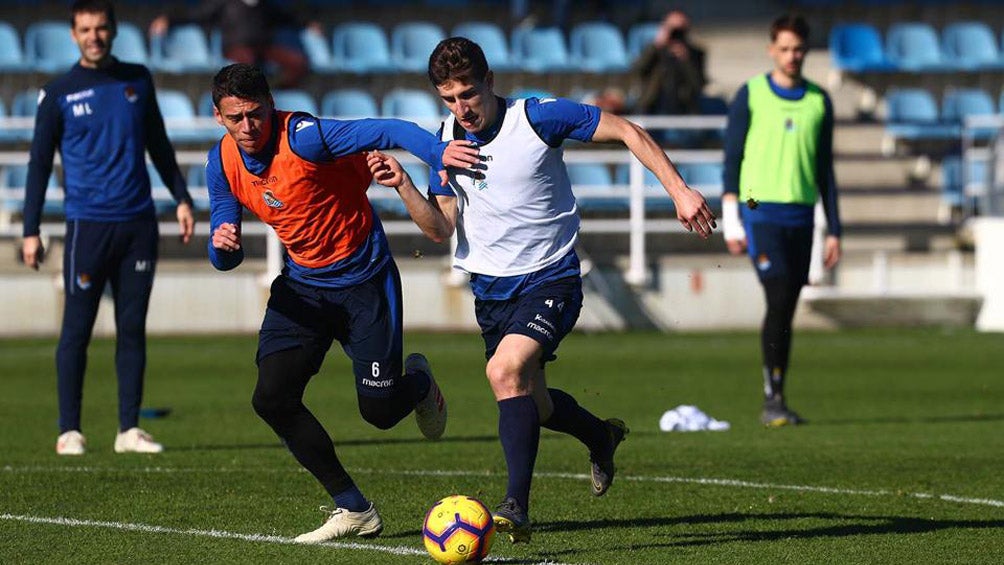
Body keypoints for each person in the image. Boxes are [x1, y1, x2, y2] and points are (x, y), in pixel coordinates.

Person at [372, 36, 715, 543]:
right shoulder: (444, 141)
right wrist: (403, 184)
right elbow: (440, 230)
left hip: (550, 278)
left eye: (468, 93)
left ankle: (516, 506)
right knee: (534, 402)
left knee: (503, 370)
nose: (461, 108)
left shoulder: (536, 118)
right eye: (449, 98)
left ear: (490, 82)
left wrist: (680, 191)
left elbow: (626, 130)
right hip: (491, 291)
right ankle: (600, 436)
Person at [205, 63, 479, 543]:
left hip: (364, 284)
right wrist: (221, 245)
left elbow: (389, 128)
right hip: (303, 288)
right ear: (218, 117)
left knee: (378, 412)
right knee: (271, 398)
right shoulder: (220, 162)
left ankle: (417, 385)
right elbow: (224, 249)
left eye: (255, 115)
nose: (247, 128)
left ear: (271, 105)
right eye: (235, 118)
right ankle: (353, 508)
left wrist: (438, 151)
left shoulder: (305, 137)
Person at [22, 0, 195, 456]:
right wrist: (31, 228)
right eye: (85, 29)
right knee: (76, 331)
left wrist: (181, 197)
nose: (94, 36)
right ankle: (69, 430)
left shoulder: (137, 79)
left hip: (138, 224)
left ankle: (128, 430)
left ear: (113, 31)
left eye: (101, 28)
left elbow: (158, 143)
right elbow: (39, 164)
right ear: (74, 34)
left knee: (132, 328)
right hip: (87, 228)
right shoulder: (57, 93)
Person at [721, 15, 842, 427]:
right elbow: (732, 160)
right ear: (772, 49)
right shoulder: (751, 95)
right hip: (760, 211)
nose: (793, 56)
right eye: (785, 48)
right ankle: (772, 398)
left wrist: (835, 229)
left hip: (802, 214)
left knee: (787, 305)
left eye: (799, 49)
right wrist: (733, 219)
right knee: (777, 297)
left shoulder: (819, 101)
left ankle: (777, 393)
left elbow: (825, 170)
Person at [149, 0, 320, 88]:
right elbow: (196, 14)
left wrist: (307, 23)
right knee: (248, 65)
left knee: (298, 62)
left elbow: (287, 17)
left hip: (265, 48)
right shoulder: (224, 3)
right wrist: (168, 19)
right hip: (235, 48)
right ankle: (251, 96)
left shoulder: (265, 5)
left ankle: (278, 90)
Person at [631, 10, 707, 116]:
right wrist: (656, 47)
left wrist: (686, 60)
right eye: (672, 28)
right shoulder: (653, 50)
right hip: (652, 106)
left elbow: (698, 85)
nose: (675, 33)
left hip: (683, 107)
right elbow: (637, 71)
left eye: (680, 29)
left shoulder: (695, 53)